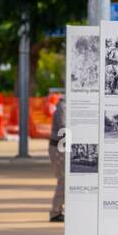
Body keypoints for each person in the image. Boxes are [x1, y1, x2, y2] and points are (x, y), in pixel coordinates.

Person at [48, 94, 65, 222]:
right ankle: (56, 211)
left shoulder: (63, 106)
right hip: (59, 148)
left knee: (64, 180)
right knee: (63, 179)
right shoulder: (63, 107)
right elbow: (63, 128)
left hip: (61, 147)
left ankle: (58, 209)